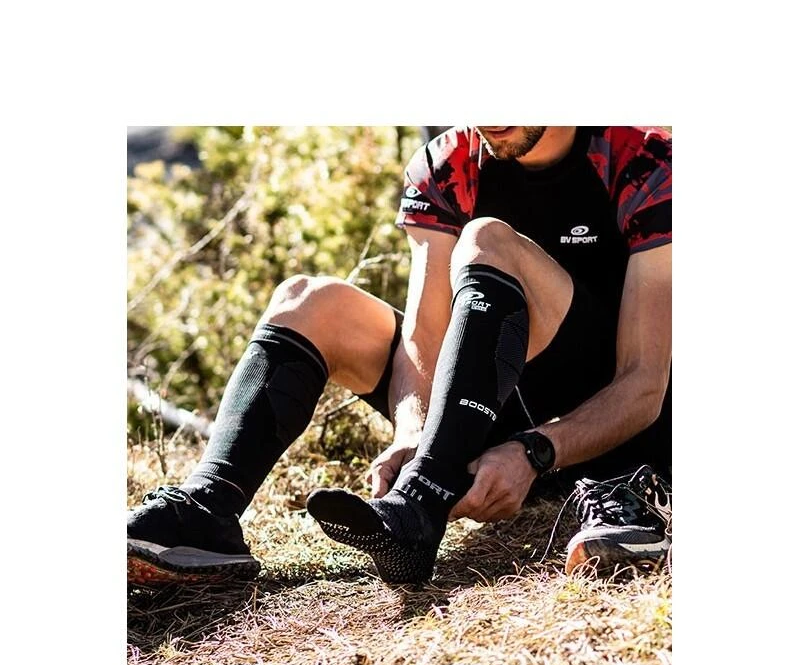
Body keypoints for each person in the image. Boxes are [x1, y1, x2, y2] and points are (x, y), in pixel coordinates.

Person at [127, 126, 672, 586]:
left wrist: (533, 452)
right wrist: (411, 431)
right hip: (483, 411)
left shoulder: (647, 160)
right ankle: (208, 509)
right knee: (308, 300)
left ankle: (420, 506)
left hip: (608, 437)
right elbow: (424, 337)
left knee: (487, 239)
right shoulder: (449, 165)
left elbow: (646, 384)